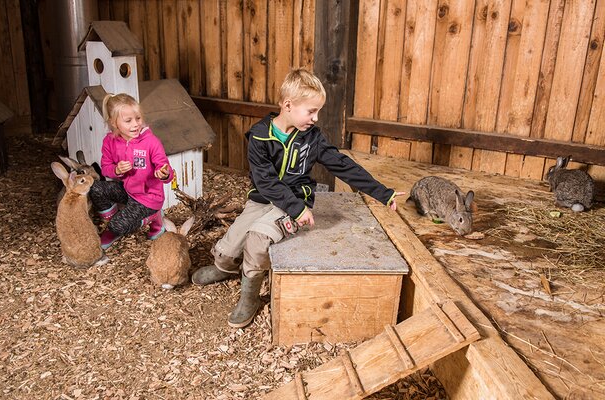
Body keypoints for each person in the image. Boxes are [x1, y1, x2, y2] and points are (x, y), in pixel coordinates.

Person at [191, 69, 404, 328]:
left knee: (258, 240)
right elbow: (265, 182)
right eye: (311, 111)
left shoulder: (312, 138)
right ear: (288, 105)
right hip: (263, 198)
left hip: (295, 200)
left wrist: (383, 193)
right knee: (230, 246)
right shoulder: (259, 136)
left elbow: (342, 165)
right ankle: (224, 268)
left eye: (318, 112)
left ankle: (250, 297)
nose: (316, 118)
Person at [89, 93, 174, 249]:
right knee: (95, 188)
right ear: (114, 123)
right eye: (128, 121)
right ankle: (114, 223)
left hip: (148, 197)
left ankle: (152, 217)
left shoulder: (151, 142)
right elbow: (106, 168)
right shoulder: (110, 141)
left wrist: (164, 173)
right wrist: (116, 169)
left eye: (138, 118)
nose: (135, 124)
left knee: (118, 226)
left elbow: (166, 169)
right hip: (128, 191)